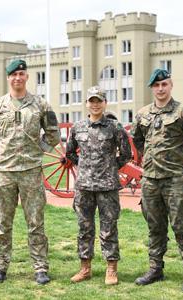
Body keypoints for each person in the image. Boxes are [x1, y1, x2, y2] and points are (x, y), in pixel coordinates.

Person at [0, 59, 60, 285]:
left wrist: (39, 152)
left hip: (31, 172)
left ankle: (40, 268)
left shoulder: (41, 105)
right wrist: (0, 154)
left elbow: (53, 135)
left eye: (21, 74)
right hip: (5, 172)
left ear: (27, 77)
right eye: (13, 74)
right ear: (8, 78)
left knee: (36, 222)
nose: (18, 78)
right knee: (2, 224)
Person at [131, 69, 183, 292]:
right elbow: (138, 140)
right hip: (151, 180)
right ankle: (155, 268)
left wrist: (176, 159)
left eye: (164, 84)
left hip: (176, 179)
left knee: (182, 226)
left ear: (170, 85)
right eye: (156, 85)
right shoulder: (143, 114)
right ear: (152, 88)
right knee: (155, 227)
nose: (160, 89)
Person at [65, 86, 131, 285]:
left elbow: (126, 154)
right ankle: (85, 268)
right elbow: (70, 153)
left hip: (107, 187)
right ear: (86, 104)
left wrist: (110, 167)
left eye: (99, 101)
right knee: (84, 228)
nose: (95, 104)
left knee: (109, 228)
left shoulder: (115, 127)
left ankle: (111, 269)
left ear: (104, 103)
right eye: (92, 101)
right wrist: (85, 166)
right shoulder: (78, 127)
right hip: (84, 186)